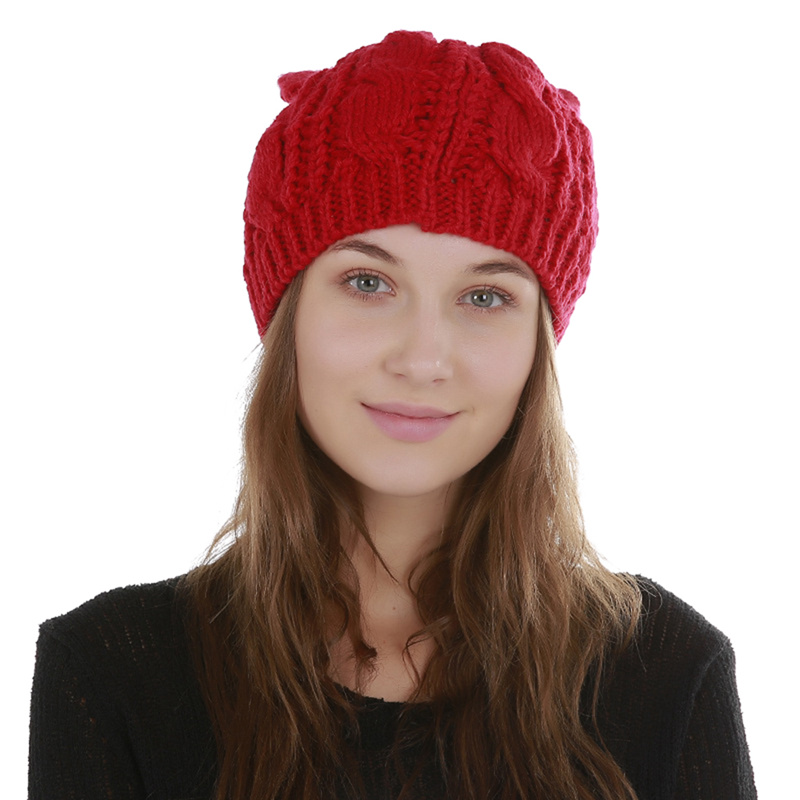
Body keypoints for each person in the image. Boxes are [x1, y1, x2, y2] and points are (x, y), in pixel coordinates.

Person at [28, 30, 757, 800]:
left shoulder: (665, 675)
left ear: (537, 348)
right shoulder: (115, 675)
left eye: (485, 296)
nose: (422, 357)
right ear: (287, 315)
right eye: (368, 283)